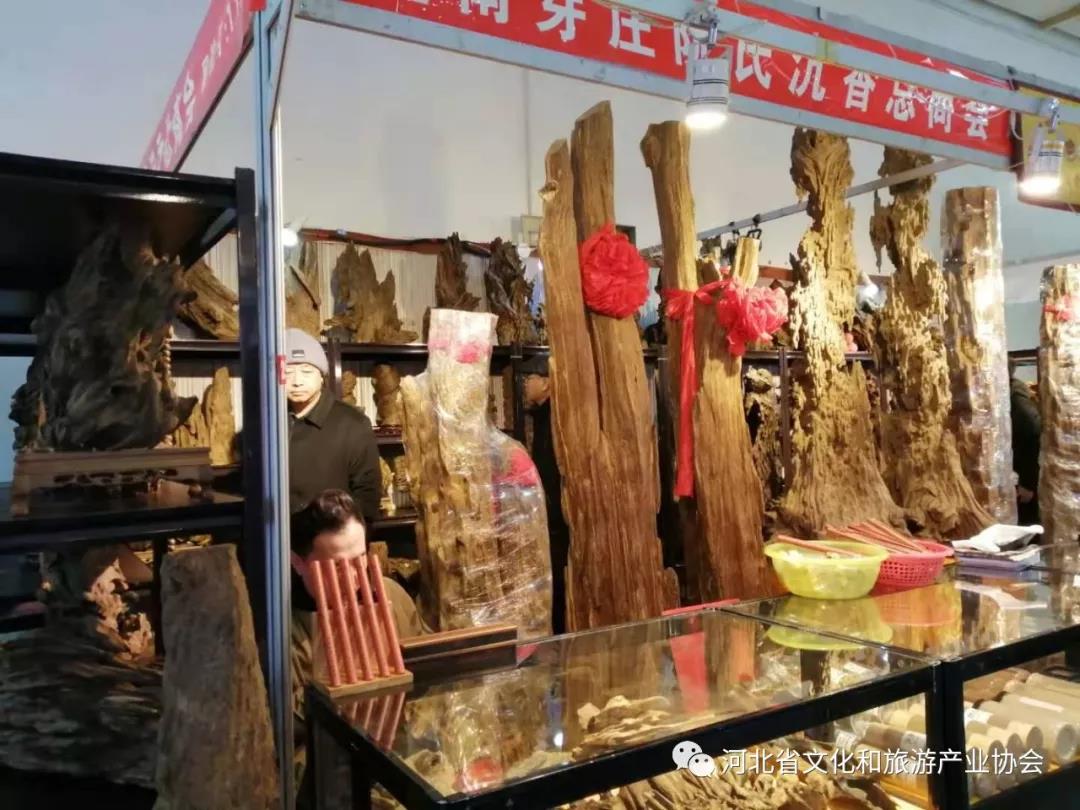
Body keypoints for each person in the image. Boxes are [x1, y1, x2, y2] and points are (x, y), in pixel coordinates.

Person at [285, 328, 381, 521]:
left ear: (322, 376)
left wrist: (340, 534)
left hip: (332, 536)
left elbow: (367, 498)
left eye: (306, 371)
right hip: (276, 537)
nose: (296, 382)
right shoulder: (268, 423)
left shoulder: (353, 424)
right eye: (288, 372)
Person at [521, 355, 570, 634]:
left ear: (547, 382)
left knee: (560, 574)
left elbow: (554, 466)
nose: (525, 383)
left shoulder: (556, 416)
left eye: (530, 377)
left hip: (558, 513)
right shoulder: (539, 416)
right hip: (546, 510)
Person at [1009, 358, 1042, 525]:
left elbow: (1032, 430)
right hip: (1018, 474)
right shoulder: (1011, 391)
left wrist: (1028, 482)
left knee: (1027, 525)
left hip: (1025, 478)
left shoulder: (1015, 393)